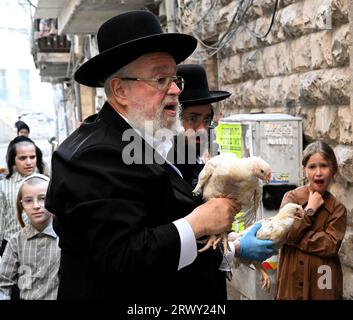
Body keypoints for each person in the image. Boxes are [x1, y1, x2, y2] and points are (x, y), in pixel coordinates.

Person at [45, 10, 274, 300]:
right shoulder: (92, 157)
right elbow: (122, 260)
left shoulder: (165, 142)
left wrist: (230, 241)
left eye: (175, 78)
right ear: (120, 90)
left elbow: (174, 226)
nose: (176, 89)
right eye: (160, 79)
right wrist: (200, 221)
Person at [276, 141, 347, 300]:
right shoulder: (292, 198)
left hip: (324, 279)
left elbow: (329, 246)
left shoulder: (337, 208)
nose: (318, 172)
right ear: (304, 170)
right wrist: (310, 211)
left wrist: (295, 237)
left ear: (333, 170)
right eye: (312, 167)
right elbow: (284, 233)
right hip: (292, 276)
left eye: (324, 166)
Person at [168, 63, 231, 188]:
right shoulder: (167, 166)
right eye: (192, 119)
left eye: (207, 120)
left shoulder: (200, 159)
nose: (202, 130)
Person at [0, 174, 60, 300]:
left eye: (43, 198)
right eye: (28, 200)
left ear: (52, 199)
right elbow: (3, 285)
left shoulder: (66, 239)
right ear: (21, 205)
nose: (36, 206)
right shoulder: (15, 242)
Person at [0, 136, 47, 256]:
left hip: (43, 245)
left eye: (32, 157)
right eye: (22, 158)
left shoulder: (46, 182)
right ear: (12, 160)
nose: (29, 162)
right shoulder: (3, 186)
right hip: (12, 247)